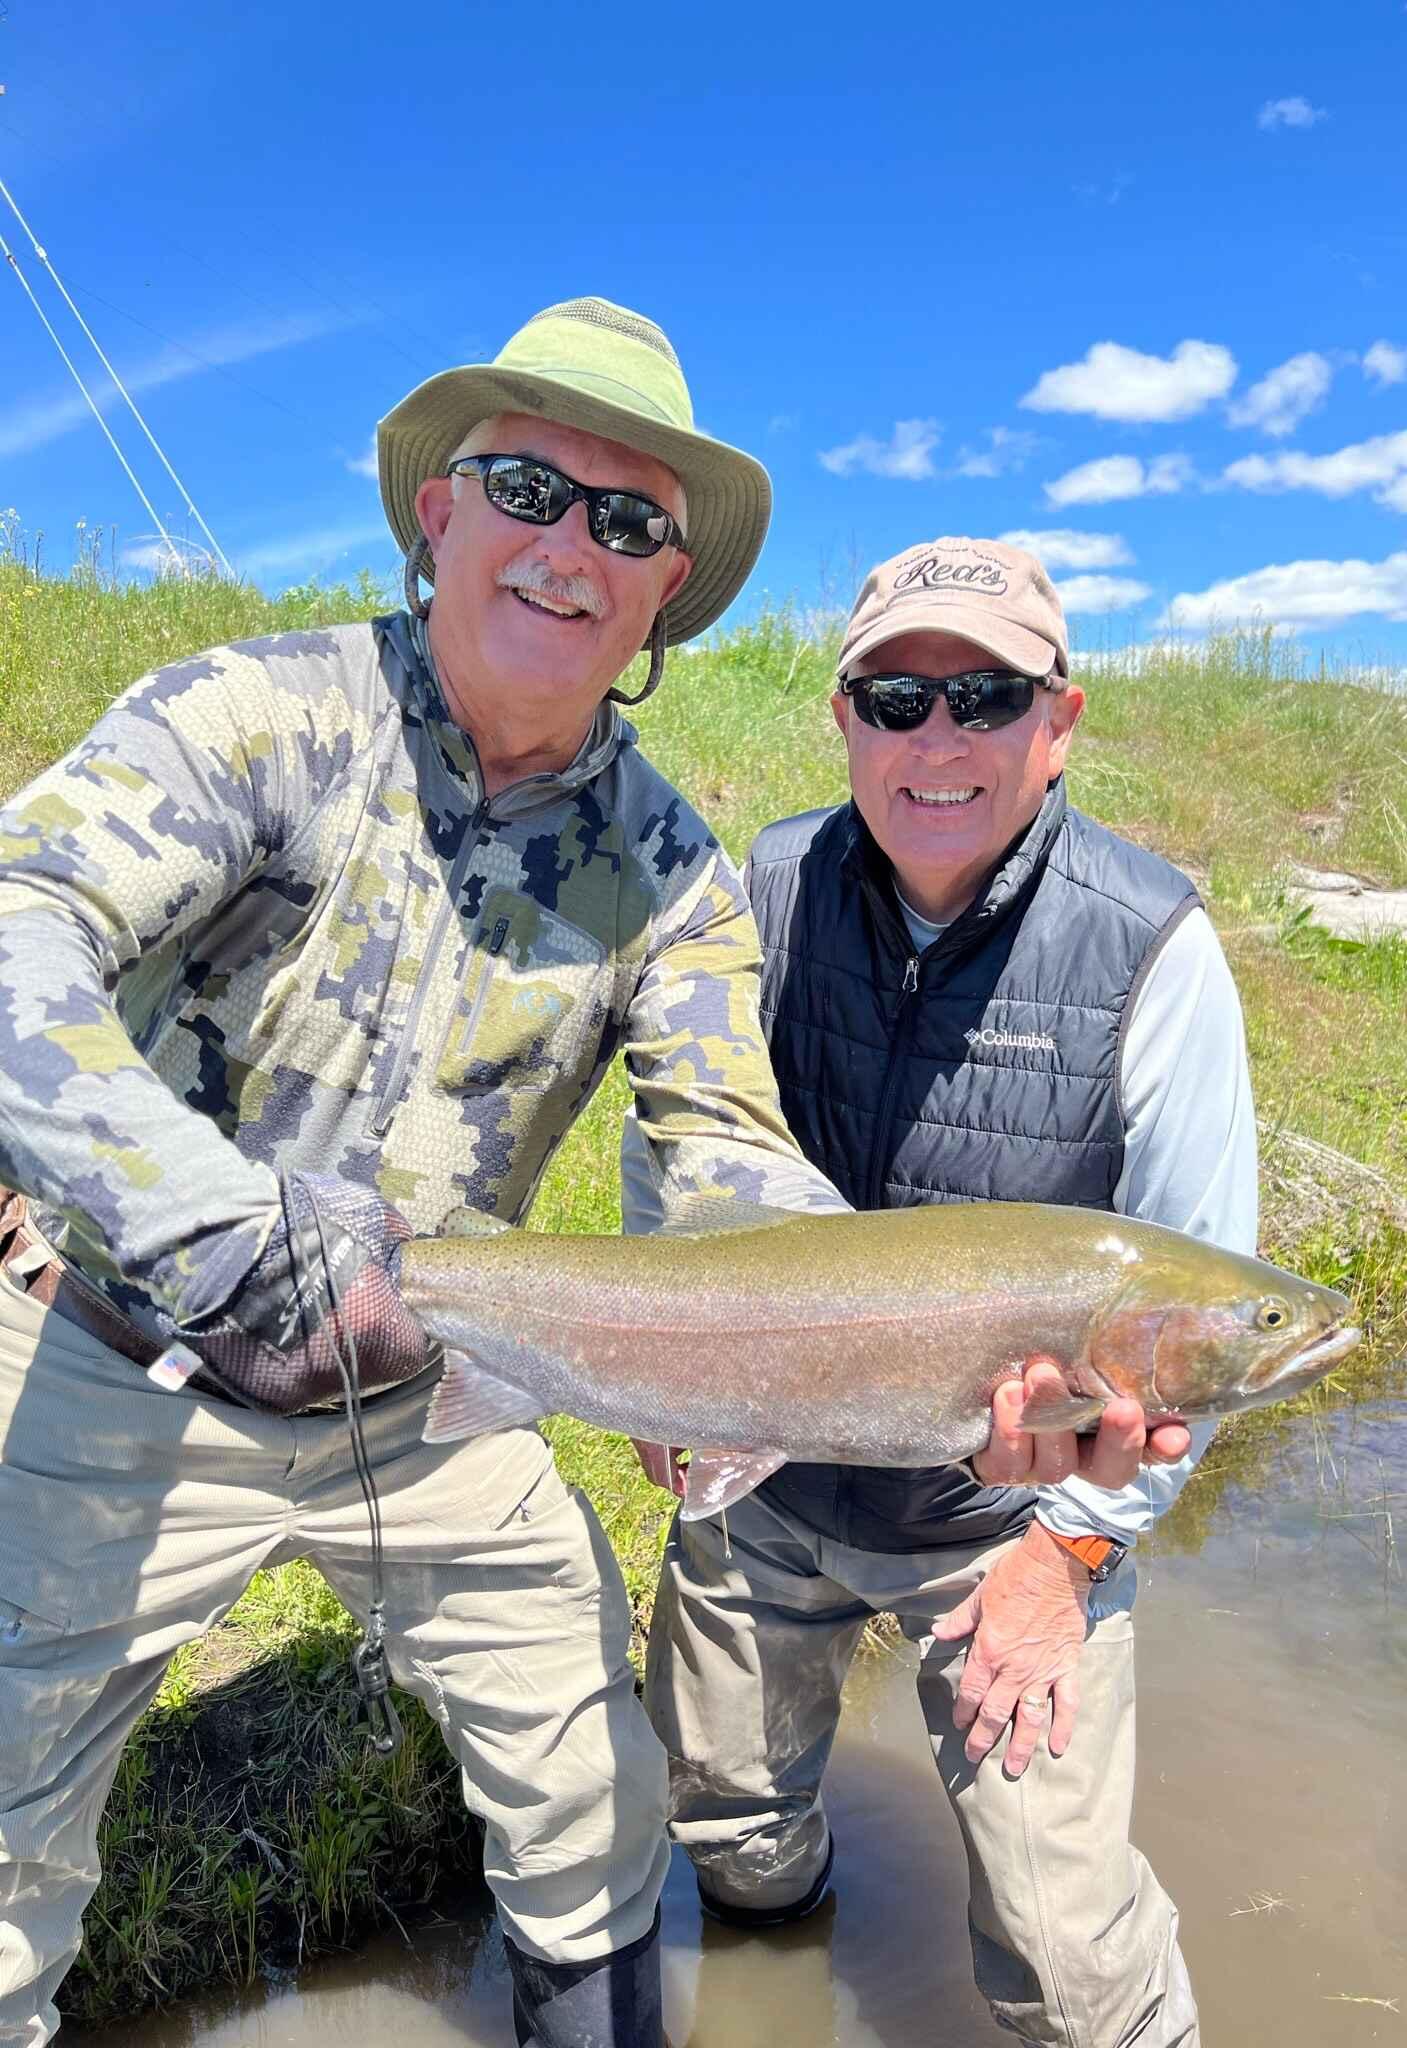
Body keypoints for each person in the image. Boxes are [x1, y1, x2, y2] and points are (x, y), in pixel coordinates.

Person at [0, 294, 854, 2048]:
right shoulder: (259, 715)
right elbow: (20, 921)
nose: (571, 547)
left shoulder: (675, 870)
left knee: (598, 1813)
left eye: (630, 524)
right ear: (434, 514)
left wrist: (874, 1334)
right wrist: (203, 1218)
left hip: (437, 1392)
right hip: (120, 1362)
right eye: (527, 486)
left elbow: (727, 1163)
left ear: (662, 600)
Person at [628, 536, 1258, 2047]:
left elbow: (1201, 1308)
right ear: (841, 717)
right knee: (735, 1847)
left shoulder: (1152, 951)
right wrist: (661, 1385)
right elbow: (678, 1149)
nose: (938, 740)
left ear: (1061, 722)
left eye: (985, 697)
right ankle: (777, 1966)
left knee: (1069, 1968)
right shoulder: (751, 894)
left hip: (1004, 1531)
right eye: (895, 698)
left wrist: (1071, 1556)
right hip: (766, 1482)